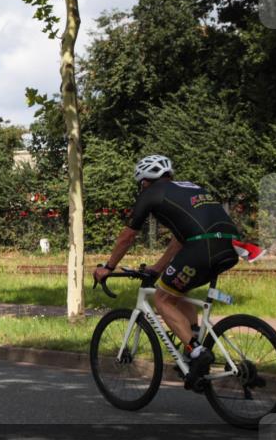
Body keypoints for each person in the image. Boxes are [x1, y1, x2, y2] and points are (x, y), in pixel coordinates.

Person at [93, 155, 241, 391]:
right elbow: (180, 240)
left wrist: (108, 267)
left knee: (161, 298)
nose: (142, 187)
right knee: (177, 291)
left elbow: (127, 237)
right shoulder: (189, 188)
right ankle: (192, 347)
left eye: (141, 183)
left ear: (144, 181)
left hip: (202, 247)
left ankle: (197, 351)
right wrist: (157, 268)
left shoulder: (151, 194)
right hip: (230, 246)